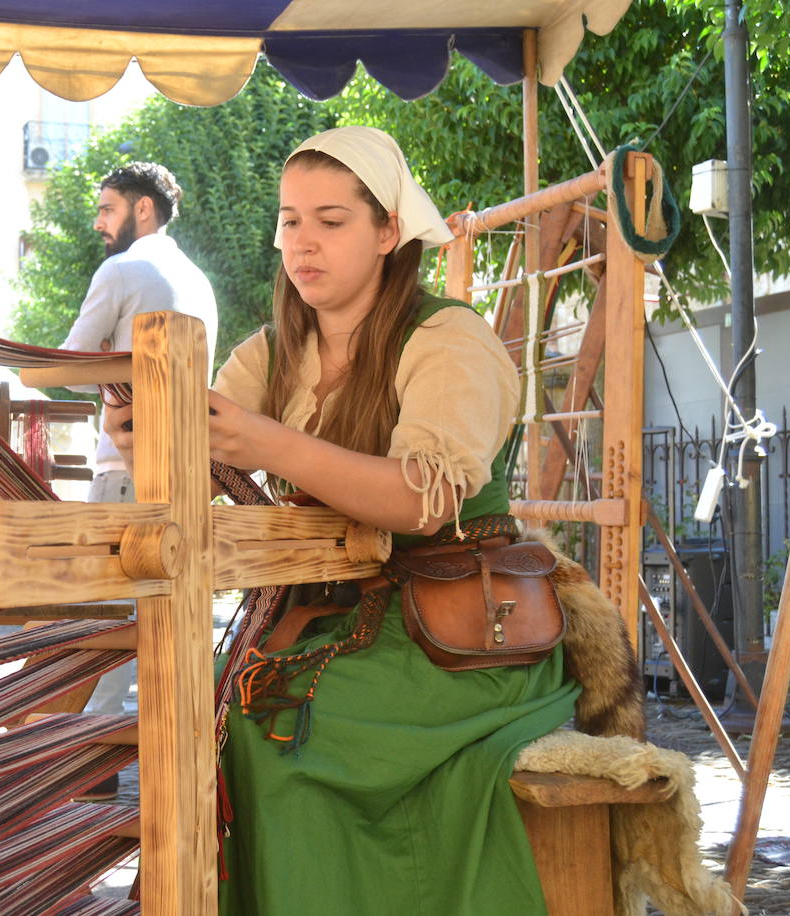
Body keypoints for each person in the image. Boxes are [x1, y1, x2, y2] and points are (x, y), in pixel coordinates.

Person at [105, 126, 580, 914]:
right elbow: (203, 473)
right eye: (291, 220)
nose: (303, 243)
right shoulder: (271, 351)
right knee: (211, 726)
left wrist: (263, 440)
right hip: (327, 617)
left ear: (389, 232)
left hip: (454, 629)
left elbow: (421, 500)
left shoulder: (448, 337)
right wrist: (149, 441)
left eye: (332, 221)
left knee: (282, 738)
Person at [60, 162, 218, 800]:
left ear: (142, 210)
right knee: (167, 625)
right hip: (186, 467)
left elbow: (70, 368)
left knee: (108, 626)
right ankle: (173, 768)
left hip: (125, 464)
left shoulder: (122, 270)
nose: (99, 224)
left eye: (107, 209)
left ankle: (89, 771)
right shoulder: (197, 280)